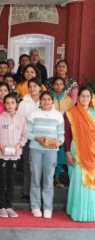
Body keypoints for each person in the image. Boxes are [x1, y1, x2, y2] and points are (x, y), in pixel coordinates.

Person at [28, 91, 64, 219]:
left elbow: (61, 135)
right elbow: (27, 133)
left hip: (51, 151)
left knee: (48, 179)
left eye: (49, 99)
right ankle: (35, 206)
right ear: (40, 101)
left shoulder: (58, 116)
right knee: (36, 178)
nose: (46, 101)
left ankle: (48, 207)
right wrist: (37, 138)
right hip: (35, 149)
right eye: (44, 99)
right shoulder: (33, 114)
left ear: (52, 101)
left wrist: (58, 142)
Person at [0, 94, 28, 218]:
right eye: (7, 103)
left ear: (16, 104)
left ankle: (9, 206)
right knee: (3, 180)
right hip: (2, 154)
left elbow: (24, 135)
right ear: (4, 105)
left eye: (12, 103)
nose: (10, 105)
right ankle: (1, 206)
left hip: (15, 155)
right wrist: (0, 145)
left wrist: (20, 145)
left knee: (11, 180)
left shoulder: (21, 119)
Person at [65, 86, 95, 222]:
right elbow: (67, 135)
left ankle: (90, 212)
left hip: (92, 153)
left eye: (88, 96)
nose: (85, 99)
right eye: (82, 96)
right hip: (76, 151)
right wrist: (67, 152)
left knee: (91, 182)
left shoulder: (94, 113)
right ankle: (76, 211)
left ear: (91, 98)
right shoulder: (71, 113)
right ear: (77, 98)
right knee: (78, 180)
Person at [17, 78, 44, 202]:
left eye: (35, 86)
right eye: (31, 86)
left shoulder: (46, 99)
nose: (33, 88)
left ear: (40, 87)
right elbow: (20, 121)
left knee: (42, 167)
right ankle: (26, 192)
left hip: (43, 139)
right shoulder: (24, 102)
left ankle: (41, 192)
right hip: (28, 138)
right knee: (28, 165)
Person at [52, 76, 74, 188]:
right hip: (50, 130)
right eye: (56, 84)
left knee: (60, 155)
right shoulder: (48, 97)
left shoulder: (69, 100)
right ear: (52, 85)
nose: (58, 86)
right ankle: (49, 177)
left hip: (63, 130)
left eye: (61, 84)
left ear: (64, 86)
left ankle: (57, 178)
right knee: (51, 154)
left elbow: (71, 116)